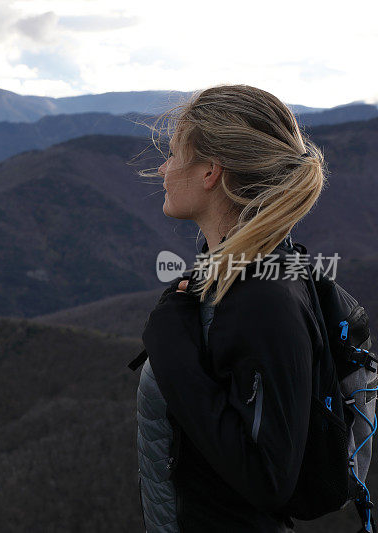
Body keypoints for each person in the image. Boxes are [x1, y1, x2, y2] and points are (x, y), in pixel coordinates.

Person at [134, 84, 329, 532]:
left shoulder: (264, 297)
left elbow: (268, 477)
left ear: (209, 172)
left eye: (173, 154)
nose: (163, 168)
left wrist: (171, 349)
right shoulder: (234, 276)